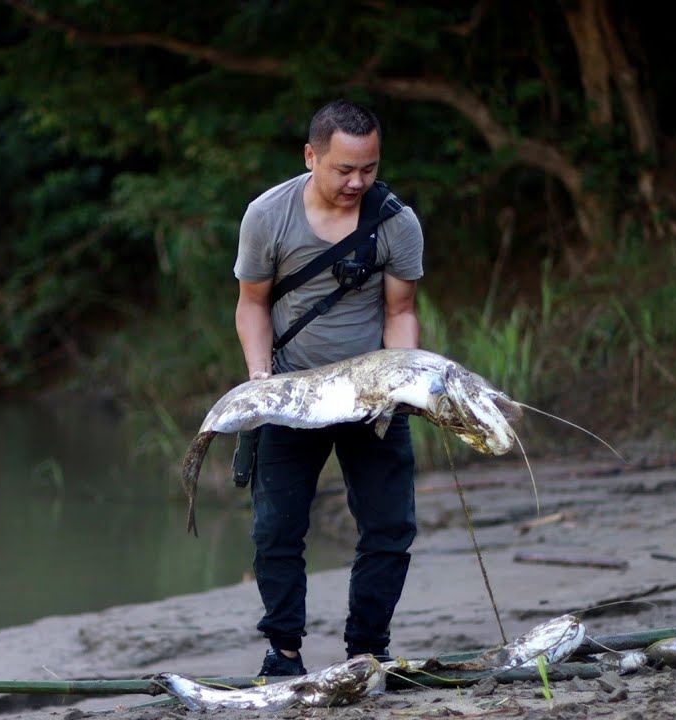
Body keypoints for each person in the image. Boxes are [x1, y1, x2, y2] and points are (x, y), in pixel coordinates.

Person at [233, 99, 424, 676]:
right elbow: (252, 304)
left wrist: (402, 377)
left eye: (368, 168)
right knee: (277, 532)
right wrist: (260, 378)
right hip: (294, 394)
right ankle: (283, 651)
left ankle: (368, 651)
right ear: (312, 156)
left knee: (390, 529)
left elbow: (402, 311)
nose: (357, 182)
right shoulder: (268, 216)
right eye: (344, 169)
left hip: (371, 395)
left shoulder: (395, 221)